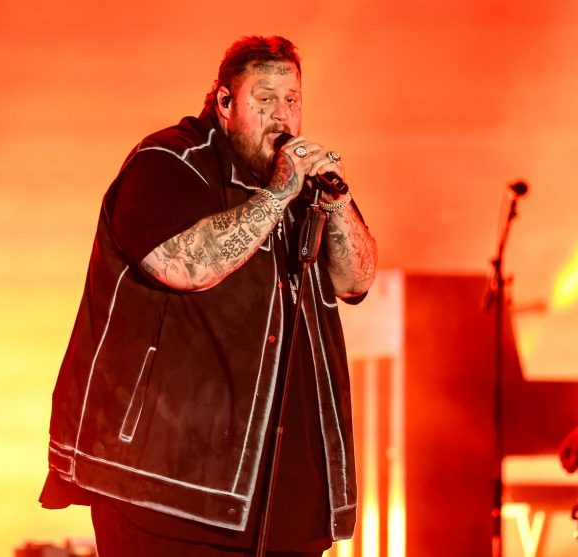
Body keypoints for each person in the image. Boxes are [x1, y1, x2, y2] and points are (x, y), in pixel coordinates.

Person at [40, 35, 378, 557]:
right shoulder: (167, 162)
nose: (281, 114)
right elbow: (182, 265)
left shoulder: (301, 188)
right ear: (224, 102)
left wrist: (337, 199)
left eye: (291, 99)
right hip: (165, 490)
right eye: (263, 98)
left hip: (281, 494)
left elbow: (357, 279)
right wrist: (276, 197)